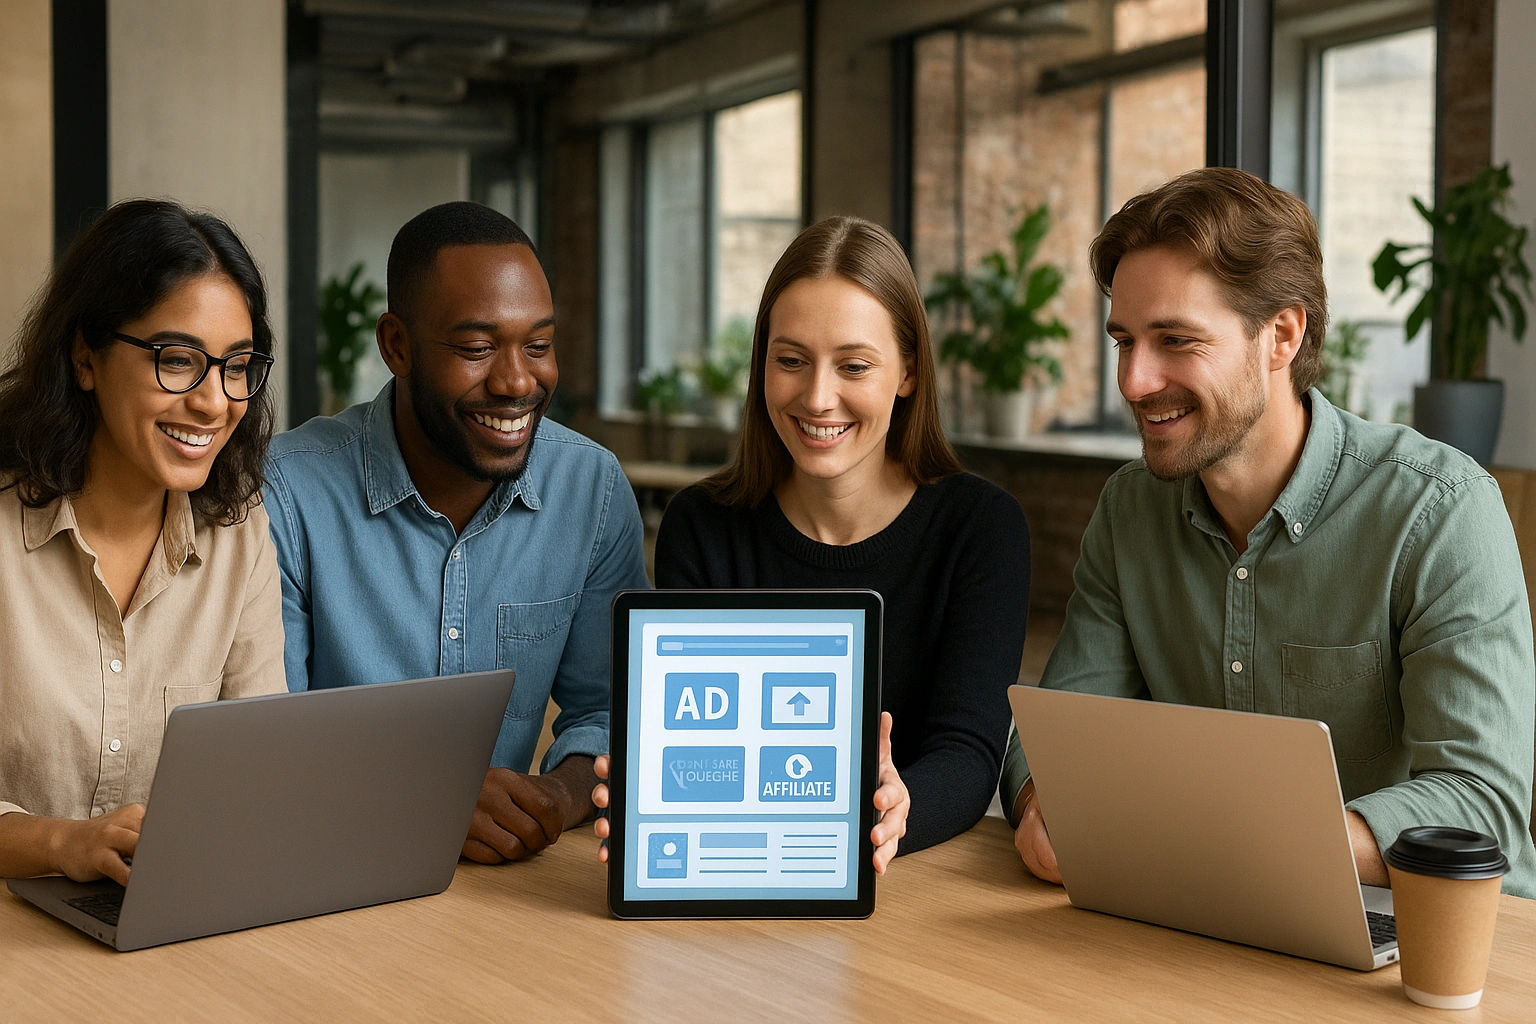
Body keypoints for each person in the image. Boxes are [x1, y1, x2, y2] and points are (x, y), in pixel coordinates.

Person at [1004, 167, 1536, 897]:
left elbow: (1482, 808)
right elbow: (1057, 736)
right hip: (1212, 914)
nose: (1133, 381)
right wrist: (1044, 806)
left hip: (1431, 928)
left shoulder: (1440, 511)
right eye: (1124, 341)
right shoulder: (1131, 510)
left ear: (1282, 335)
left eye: (1175, 340)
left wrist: (1222, 840)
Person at [593, 216, 1031, 870]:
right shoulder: (701, 526)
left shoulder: (981, 529)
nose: (818, 398)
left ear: (908, 372)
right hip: (739, 867)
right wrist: (656, 795)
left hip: (903, 877)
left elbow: (968, 753)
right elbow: (698, 746)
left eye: (854, 365)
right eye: (791, 360)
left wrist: (887, 814)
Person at [265, 202, 649, 866]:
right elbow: (268, 739)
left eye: (538, 345)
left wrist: (556, 797)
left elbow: (613, 711)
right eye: (477, 349)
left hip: (503, 889)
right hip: (332, 872)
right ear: (397, 346)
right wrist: (424, 802)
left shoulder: (591, 488)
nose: (517, 381)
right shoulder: (288, 492)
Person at [0, 199, 286, 886]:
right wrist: (61, 844)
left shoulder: (238, 530)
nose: (214, 402)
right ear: (85, 357)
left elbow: (260, 771)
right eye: (178, 360)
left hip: (168, 910)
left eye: (237, 366)